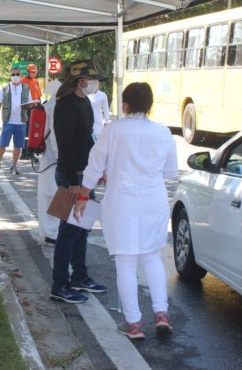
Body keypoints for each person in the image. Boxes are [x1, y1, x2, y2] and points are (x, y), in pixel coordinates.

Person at [73, 82, 178, 339]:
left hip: (122, 203)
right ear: (150, 105)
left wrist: (83, 195)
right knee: (152, 257)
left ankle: (134, 323)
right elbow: (171, 173)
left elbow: (95, 165)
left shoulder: (114, 130)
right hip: (154, 201)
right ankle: (161, 314)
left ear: (125, 105)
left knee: (126, 263)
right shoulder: (164, 132)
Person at [50, 60, 107, 304]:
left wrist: (96, 168)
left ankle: (79, 276)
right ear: (79, 80)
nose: (95, 83)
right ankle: (59, 285)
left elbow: (87, 138)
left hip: (85, 174)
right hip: (72, 176)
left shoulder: (84, 102)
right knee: (69, 232)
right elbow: (65, 145)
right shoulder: (66, 106)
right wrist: (74, 181)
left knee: (81, 229)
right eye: (90, 78)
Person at [0, 66, 35, 176]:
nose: (15, 76)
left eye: (17, 74)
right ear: (10, 75)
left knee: (18, 145)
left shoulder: (25, 88)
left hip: (21, 122)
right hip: (8, 121)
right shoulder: (5, 88)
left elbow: (29, 103)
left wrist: (31, 104)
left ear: (20, 75)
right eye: (13, 74)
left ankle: (14, 166)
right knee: (2, 144)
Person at [37, 78, 61, 245]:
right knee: (55, 193)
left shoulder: (46, 105)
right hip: (54, 157)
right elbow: (54, 136)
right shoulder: (56, 108)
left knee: (45, 194)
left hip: (45, 157)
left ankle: (46, 231)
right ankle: (53, 233)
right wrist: (61, 156)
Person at [20, 63, 42, 160]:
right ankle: (25, 152)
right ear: (28, 71)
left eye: (35, 72)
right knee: (26, 130)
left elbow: (38, 96)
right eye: (32, 72)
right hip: (26, 109)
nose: (34, 74)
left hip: (35, 109)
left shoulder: (36, 82)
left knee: (33, 131)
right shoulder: (22, 81)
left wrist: (40, 106)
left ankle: (31, 151)